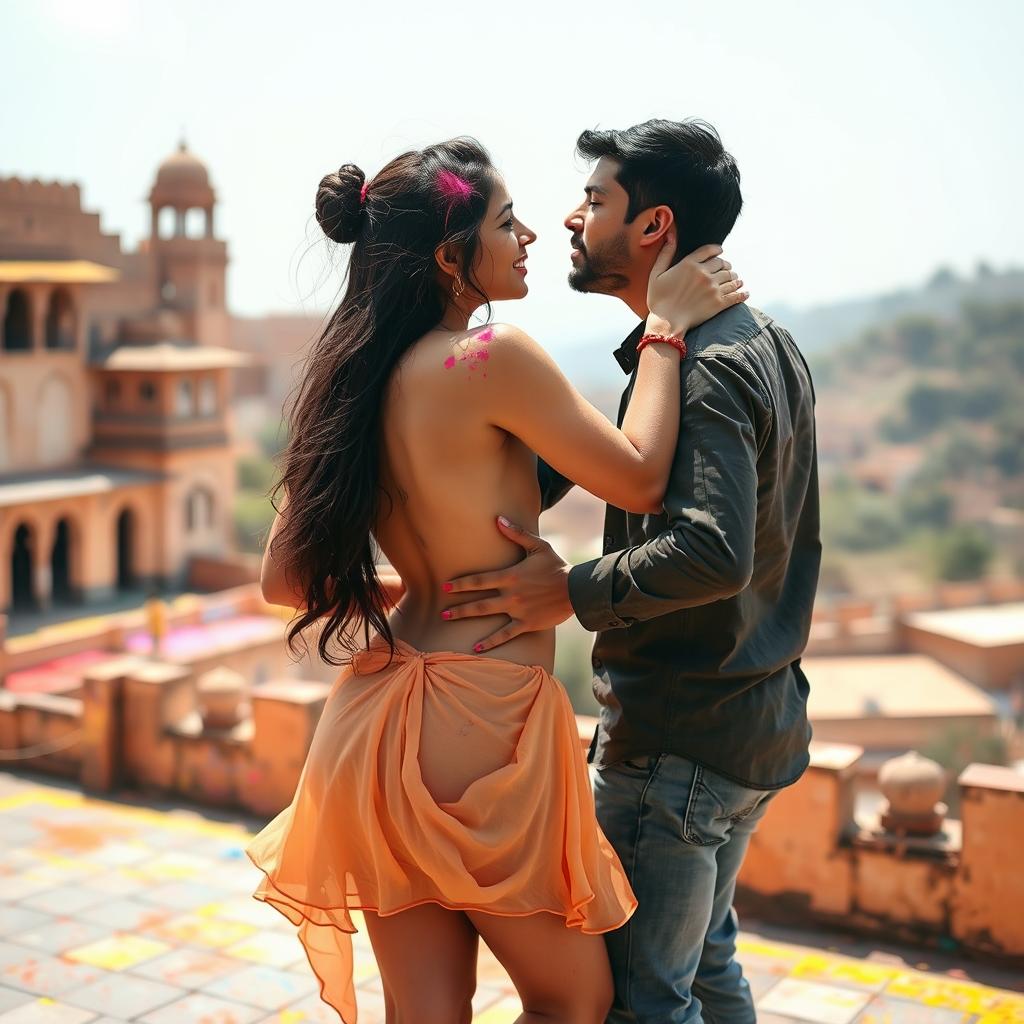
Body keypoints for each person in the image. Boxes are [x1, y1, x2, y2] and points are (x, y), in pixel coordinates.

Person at [246, 137, 746, 1024]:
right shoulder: (492, 358)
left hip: (378, 715)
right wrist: (664, 331)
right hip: (484, 719)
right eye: (504, 222)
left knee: (425, 1012)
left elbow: (285, 579)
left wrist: (426, 589)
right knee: (572, 999)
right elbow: (637, 475)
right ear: (451, 256)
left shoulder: (349, 378)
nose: (527, 237)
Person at [444, 119, 821, 1023]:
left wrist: (566, 590)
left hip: (679, 750)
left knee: (643, 1005)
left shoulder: (706, 369)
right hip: (754, 729)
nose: (569, 219)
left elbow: (711, 552)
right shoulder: (763, 341)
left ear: (653, 228)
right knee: (707, 969)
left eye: (595, 200)